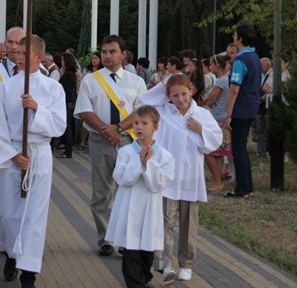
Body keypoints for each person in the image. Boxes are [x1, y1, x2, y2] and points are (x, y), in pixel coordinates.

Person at [0, 35, 66, 288]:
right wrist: (12, 155)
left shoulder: (53, 88)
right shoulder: (6, 87)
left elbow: (59, 125)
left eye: (25, 53)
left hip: (38, 155)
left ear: (39, 56)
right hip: (12, 154)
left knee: (34, 215)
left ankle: (29, 271)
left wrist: (36, 108)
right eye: (17, 52)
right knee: (9, 212)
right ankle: (12, 254)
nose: (18, 57)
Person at [131, 74, 222, 283]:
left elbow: (215, 141)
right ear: (168, 96)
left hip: (190, 178)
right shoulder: (163, 113)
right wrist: (165, 83)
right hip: (168, 177)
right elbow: (144, 100)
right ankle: (164, 262)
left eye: (184, 93)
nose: (180, 99)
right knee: (165, 221)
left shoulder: (202, 115)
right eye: (175, 95)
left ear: (191, 91)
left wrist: (200, 129)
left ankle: (186, 263)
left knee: (188, 222)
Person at [74, 35, 147, 256]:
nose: (107, 56)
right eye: (104, 52)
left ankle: (126, 239)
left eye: (112, 51)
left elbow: (141, 111)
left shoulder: (136, 82)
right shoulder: (91, 80)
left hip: (129, 141)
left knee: (128, 190)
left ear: (123, 55)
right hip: (99, 140)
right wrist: (107, 130)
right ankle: (105, 238)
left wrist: (118, 128)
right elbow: (84, 111)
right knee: (102, 192)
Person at [105, 106, 175, 288]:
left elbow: (158, 184)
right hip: (129, 208)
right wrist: (138, 161)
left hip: (149, 209)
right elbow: (121, 177)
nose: (139, 127)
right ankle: (136, 284)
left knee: (146, 251)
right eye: (136, 123)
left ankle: (145, 278)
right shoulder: (125, 152)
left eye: (144, 123)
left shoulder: (165, 156)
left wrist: (149, 163)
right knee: (131, 251)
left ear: (155, 127)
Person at [223, 24, 262, 199]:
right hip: (251, 106)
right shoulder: (255, 57)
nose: (233, 37)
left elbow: (234, 89)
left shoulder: (240, 60)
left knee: (238, 149)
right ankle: (248, 186)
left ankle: (243, 189)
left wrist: (229, 114)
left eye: (234, 35)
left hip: (240, 108)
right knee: (242, 149)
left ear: (240, 38)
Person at [203, 54, 232, 191]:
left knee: (209, 151)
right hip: (222, 117)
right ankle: (218, 178)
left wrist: (207, 100)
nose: (209, 67)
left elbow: (211, 98)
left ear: (217, 65)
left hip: (216, 119)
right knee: (218, 154)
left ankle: (216, 181)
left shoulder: (220, 81)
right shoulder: (227, 79)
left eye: (211, 64)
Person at [57, 52, 79, 159]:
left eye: (63, 60)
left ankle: (68, 151)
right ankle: (67, 149)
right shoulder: (71, 73)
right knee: (68, 125)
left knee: (67, 127)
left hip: (67, 102)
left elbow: (63, 89)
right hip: (70, 101)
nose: (61, 62)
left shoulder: (68, 74)